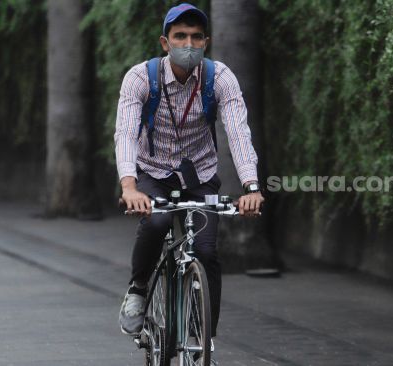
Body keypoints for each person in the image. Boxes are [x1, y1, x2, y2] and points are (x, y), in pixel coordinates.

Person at [115, 2, 265, 352]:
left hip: (199, 173)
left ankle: (203, 340)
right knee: (156, 222)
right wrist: (129, 185)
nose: (188, 44)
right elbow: (124, 132)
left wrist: (251, 185)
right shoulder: (140, 77)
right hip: (152, 171)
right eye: (179, 36)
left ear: (206, 43)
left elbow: (238, 132)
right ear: (164, 42)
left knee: (207, 252)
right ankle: (138, 289)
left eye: (196, 38)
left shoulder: (220, 78)